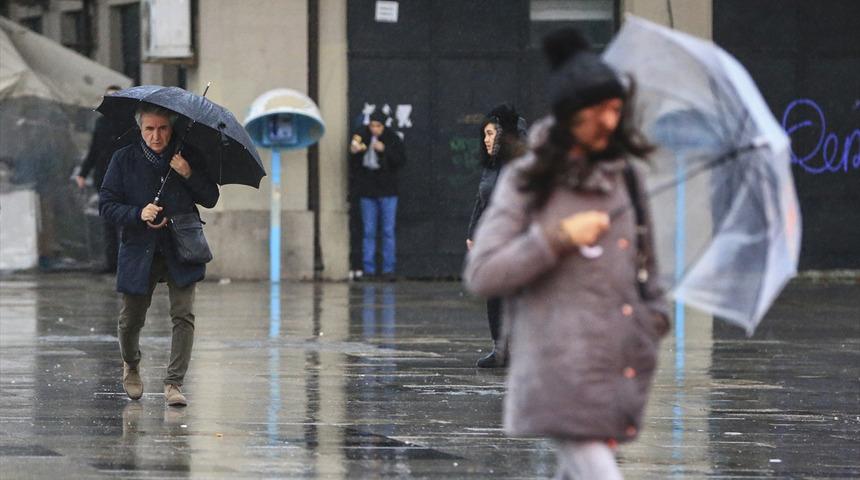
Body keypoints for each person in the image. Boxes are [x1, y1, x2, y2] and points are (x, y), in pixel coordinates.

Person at [463, 28, 670, 479]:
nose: (610, 121)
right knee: (595, 467)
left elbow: (648, 274)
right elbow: (483, 273)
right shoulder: (529, 180)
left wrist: (653, 320)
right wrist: (555, 237)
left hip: (617, 367)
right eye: (600, 110)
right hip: (555, 365)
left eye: (618, 110)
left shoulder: (626, 181)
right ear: (571, 112)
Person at [99, 103, 219, 407]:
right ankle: (132, 364)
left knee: (184, 314)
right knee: (130, 319)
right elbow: (107, 205)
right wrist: (138, 213)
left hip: (181, 246)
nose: (156, 136)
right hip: (140, 249)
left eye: (162, 128)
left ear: (172, 128)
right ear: (140, 129)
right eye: (149, 129)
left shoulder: (185, 154)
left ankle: (174, 383)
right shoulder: (124, 159)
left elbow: (210, 197)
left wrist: (188, 173)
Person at [466, 103, 526, 368]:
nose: (486, 140)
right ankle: (500, 349)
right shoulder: (491, 167)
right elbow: (480, 201)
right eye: (485, 136)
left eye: (491, 134)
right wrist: (472, 232)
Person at [76, 85, 130, 273]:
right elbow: (94, 150)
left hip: (125, 178)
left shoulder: (130, 122)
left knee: (126, 221)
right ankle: (112, 263)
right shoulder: (101, 123)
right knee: (108, 220)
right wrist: (83, 173)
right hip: (104, 178)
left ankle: (127, 262)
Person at [349, 111, 407, 281]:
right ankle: (369, 269)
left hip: (387, 190)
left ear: (384, 126)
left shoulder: (392, 138)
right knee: (369, 231)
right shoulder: (363, 135)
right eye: (372, 125)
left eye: (378, 126)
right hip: (368, 189)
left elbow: (400, 160)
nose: (374, 129)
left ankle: (388, 269)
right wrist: (356, 151)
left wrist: (385, 151)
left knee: (387, 230)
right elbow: (354, 159)